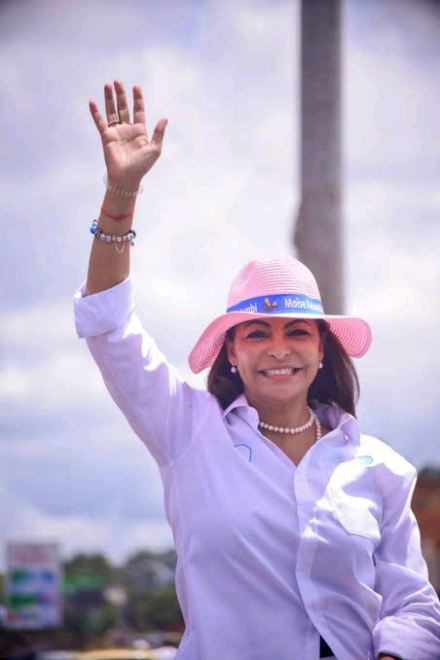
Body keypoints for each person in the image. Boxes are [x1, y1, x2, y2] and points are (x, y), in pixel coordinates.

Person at [74, 80, 440, 660]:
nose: (278, 348)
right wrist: (121, 194)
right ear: (230, 351)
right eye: (256, 333)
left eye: (297, 331)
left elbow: (413, 605)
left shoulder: (382, 470)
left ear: (323, 349)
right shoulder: (187, 431)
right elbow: (108, 325)